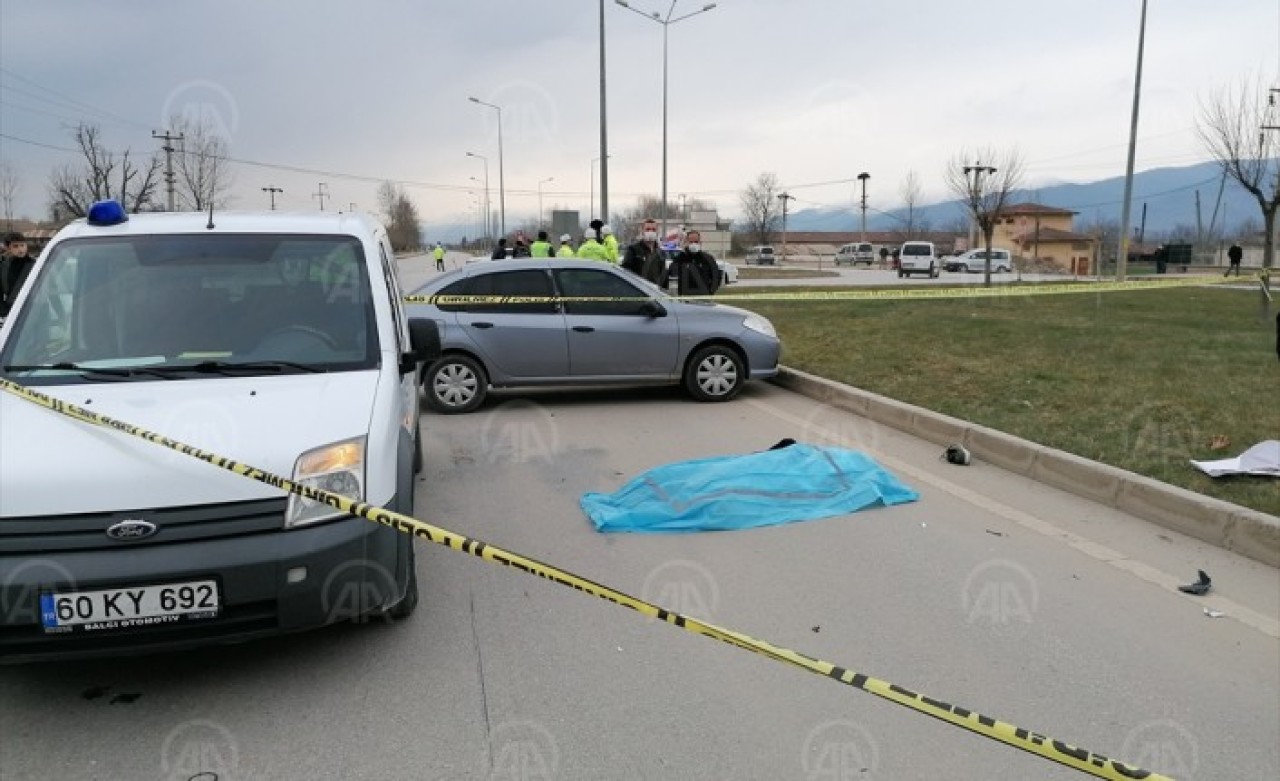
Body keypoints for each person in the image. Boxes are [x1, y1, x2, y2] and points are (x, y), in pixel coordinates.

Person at [669, 230, 721, 296]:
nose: (694, 244)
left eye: (696, 242)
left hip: (703, 297)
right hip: (685, 298)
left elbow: (716, 276)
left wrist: (710, 291)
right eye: (691, 242)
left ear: (700, 242)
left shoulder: (708, 259)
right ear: (686, 242)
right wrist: (682, 253)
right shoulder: (680, 259)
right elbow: (671, 274)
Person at [0, 232, 36, 320]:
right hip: (13, 311)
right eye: (15, 246)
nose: (20, 249)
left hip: (36, 309)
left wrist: (61, 313)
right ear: (9, 248)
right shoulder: (3, 267)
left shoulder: (36, 265)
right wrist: (4, 312)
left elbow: (51, 290)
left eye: (22, 245)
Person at [621, 218, 667, 286]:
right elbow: (625, 271)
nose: (651, 232)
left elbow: (663, 276)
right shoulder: (633, 250)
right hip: (638, 291)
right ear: (642, 231)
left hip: (655, 292)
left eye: (654, 230)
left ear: (657, 232)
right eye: (647, 229)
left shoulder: (661, 253)